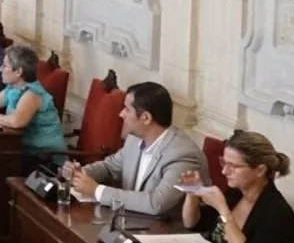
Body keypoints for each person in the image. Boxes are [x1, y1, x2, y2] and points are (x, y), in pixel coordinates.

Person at [65, 82, 199, 218]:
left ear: (145, 118)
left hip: (164, 231)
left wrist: (96, 190)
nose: (121, 114)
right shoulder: (134, 140)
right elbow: (109, 167)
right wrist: (81, 174)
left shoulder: (182, 154)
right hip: (130, 223)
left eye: (127, 109)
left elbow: (156, 203)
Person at [0, 44, 65, 164]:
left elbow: (17, 122)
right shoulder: (12, 88)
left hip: (44, 158)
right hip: (22, 151)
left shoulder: (32, 94)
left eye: (4, 66)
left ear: (18, 71)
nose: (0, 69)